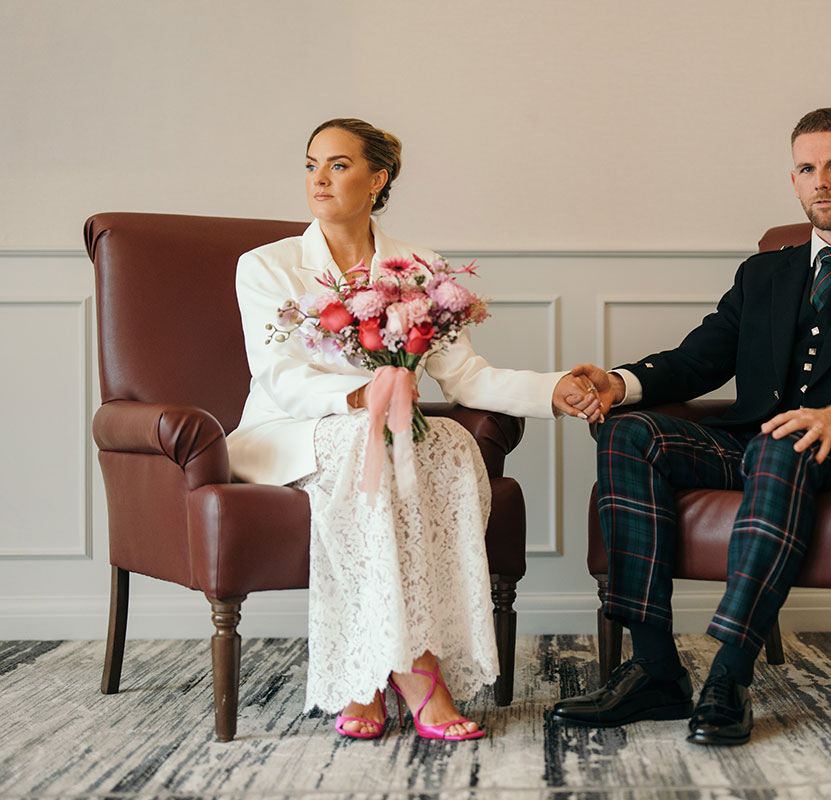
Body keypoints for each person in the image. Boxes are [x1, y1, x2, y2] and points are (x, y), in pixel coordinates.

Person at [549, 107, 831, 746]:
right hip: (745, 443)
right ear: (793, 179)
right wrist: (619, 384)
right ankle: (656, 669)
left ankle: (730, 675)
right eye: (807, 168)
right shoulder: (764, 272)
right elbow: (699, 359)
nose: (821, 181)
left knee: (782, 441)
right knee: (628, 433)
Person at [228, 118, 603, 741]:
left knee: (451, 443)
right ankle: (416, 672)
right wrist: (359, 394)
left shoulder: (419, 267)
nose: (319, 178)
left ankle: (372, 677)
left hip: (389, 433)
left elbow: (464, 377)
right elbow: (278, 375)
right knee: (371, 440)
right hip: (288, 430)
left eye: (338, 165)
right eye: (312, 165)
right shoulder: (267, 266)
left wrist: (552, 389)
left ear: (378, 179)